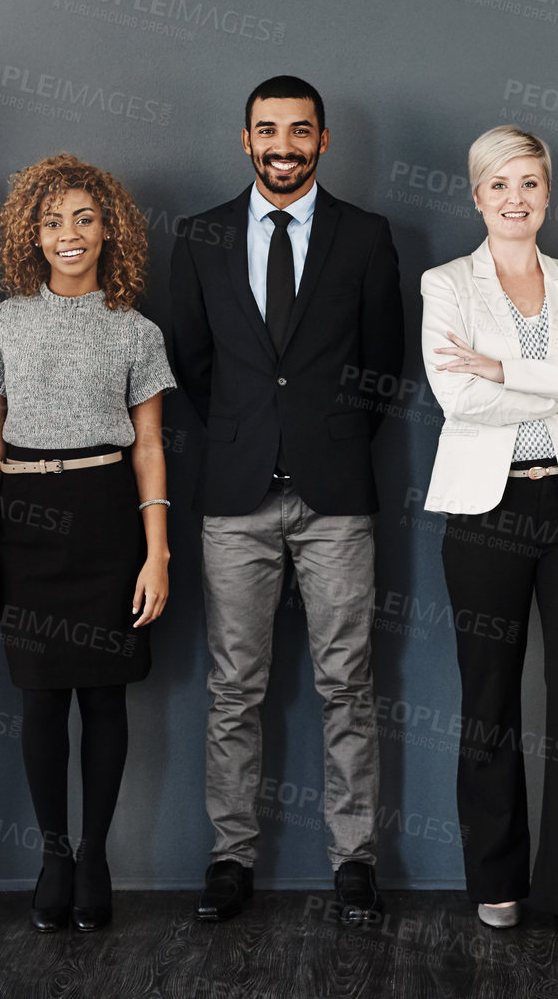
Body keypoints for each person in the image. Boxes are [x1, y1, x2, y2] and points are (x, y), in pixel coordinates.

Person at [170, 75, 404, 925]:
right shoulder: (199, 236)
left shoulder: (367, 237)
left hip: (337, 496)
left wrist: (322, 442)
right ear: (245, 140)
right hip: (234, 497)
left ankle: (354, 859)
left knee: (348, 682)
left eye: (299, 131)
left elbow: (385, 366)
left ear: (323, 141)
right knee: (235, 687)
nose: (282, 145)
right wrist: (250, 438)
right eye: (267, 130)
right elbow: (195, 364)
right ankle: (230, 858)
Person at [420, 126, 558, 940]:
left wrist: (507, 369)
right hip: (485, 509)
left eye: (531, 185)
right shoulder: (446, 285)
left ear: (550, 195)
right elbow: (458, 399)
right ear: (477, 195)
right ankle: (496, 877)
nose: (517, 199)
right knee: (489, 698)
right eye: (501, 185)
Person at [0, 155, 174, 933]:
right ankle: (53, 853)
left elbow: (150, 444)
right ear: (32, 234)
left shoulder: (138, 329)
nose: (69, 234)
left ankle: (94, 853)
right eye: (53, 222)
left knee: (105, 695)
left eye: (84, 218)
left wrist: (158, 551)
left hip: (108, 511)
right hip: (26, 515)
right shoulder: (1, 322)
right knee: (42, 698)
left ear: (109, 227)